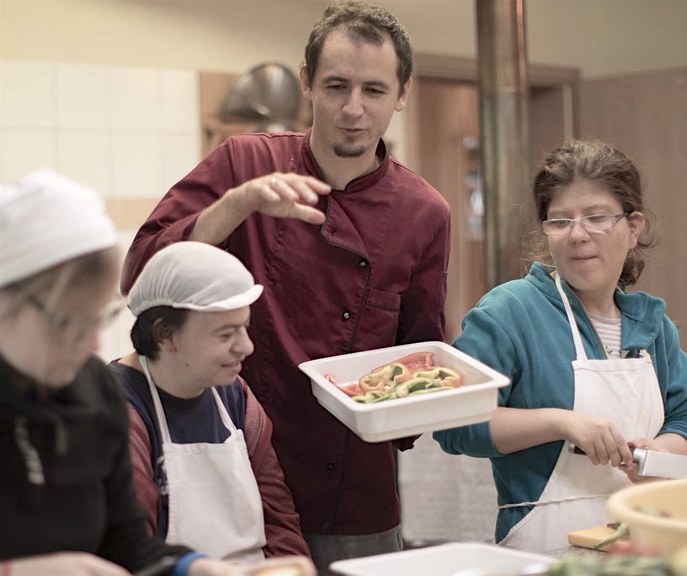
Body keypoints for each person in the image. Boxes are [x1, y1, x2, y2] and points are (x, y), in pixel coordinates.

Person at [120, 1, 450, 573]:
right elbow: (141, 276)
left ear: (402, 93)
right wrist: (237, 204)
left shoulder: (425, 212)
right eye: (336, 86)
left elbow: (419, 353)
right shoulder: (244, 163)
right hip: (241, 471)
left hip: (356, 496)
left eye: (374, 91)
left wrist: (411, 413)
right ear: (306, 83)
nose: (353, 110)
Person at [0, 170, 317, 576]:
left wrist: (198, 568)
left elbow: (127, 542)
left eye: (99, 319)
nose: (94, 345)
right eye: (69, 323)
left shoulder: (93, 393)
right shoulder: (126, 395)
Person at [433, 139, 687, 554]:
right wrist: (561, 422)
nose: (578, 235)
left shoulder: (653, 326)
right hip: (543, 550)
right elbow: (454, 425)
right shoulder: (510, 312)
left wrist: (658, 456)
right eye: (560, 221)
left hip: (641, 546)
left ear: (633, 229)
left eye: (596, 217)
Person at [109, 241, 310, 563]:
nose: (246, 347)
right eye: (225, 334)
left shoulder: (234, 394)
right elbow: (132, 552)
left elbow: (277, 516)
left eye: (245, 327)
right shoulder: (119, 408)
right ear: (165, 334)